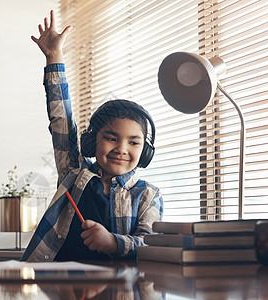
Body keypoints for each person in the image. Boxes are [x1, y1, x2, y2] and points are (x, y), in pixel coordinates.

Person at [21, 10, 163, 262]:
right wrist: (54, 56)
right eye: (111, 137)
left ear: (146, 151)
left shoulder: (148, 195)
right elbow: (61, 119)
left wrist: (112, 243)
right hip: (58, 285)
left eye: (133, 142)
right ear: (91, 141)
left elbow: (149, 245)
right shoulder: (73, 172)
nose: (121, 148)